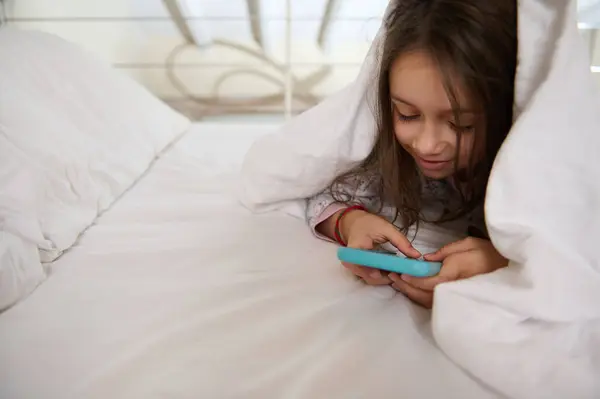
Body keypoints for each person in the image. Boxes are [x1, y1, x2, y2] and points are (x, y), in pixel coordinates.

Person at [306, 0, 517, 308]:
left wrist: (505, 263)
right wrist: (350, 223)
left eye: (461, 124)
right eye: (407, 114)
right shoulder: (392, 158)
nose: (427, 145)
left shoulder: (532, 173)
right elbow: (316, 191)